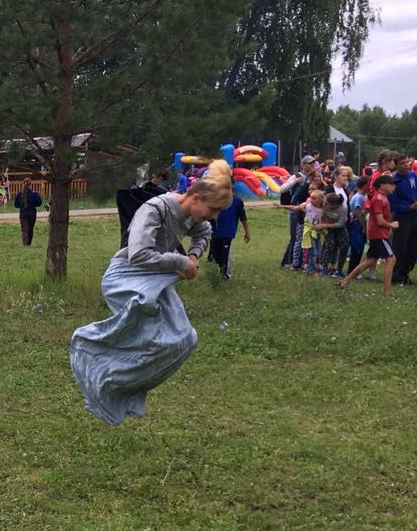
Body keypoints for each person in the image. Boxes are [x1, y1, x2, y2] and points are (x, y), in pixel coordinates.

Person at [69, 158, 231, 425]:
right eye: (213, 209)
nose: (214, 216)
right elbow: (139, 254)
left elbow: (205, 233)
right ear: (197, 197)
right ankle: (87, 345)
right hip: (125, 278)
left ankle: (121, 388)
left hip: (154, 278)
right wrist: (181, 262)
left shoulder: (192, 215)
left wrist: (193, 255)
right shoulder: (156, 208)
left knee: (185, 339)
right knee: (149, 338)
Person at [339, 173, 400, 295]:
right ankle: (387, 292)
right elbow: (380, 221)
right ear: (382, 185)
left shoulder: (382, 198)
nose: (394, 186)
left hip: (377, 234)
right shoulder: (378, 199)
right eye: (391, 184)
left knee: (370, 261)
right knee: (391, 259)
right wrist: (392, 225)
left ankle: (345, 281)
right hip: (378, 234)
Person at [391, 154, 417, 285]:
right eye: (402, 163)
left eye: (407, 162)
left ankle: (406, 272)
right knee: (401, 247)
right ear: (397, 165)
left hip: (413, 215)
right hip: (401, 217)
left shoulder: (412, 176)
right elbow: (393, 204)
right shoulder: (395, 181)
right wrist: (409, 207)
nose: (406, 165)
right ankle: (396, 275)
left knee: (414, 245)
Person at [277, 155, 316, 269]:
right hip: (294, 209)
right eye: (310, 163)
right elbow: (281, 189)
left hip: (306, 210)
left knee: (300, 236)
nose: (313, 166)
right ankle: (288, 261)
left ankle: (297, 260)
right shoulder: (297, 176)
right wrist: (294, 181)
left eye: (313, 163)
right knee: (294, 236)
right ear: (304, 165)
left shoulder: (312, 177)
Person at [207, 193, 250, 280]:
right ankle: (217, 268)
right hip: (214, 232)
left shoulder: (237, 201)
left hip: (228, 232)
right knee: (216, 255)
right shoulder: (214, 199)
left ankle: (225, 275)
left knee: (225, 254)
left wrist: (247, 232)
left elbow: (243, 217)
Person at [317, 176, 349, 277]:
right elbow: (321, 214)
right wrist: (323, 224)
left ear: (334, 205)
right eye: (324, 202)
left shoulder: (342, 208)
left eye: (327, 203)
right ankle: (324, 268)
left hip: (340, 228)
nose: (324, 204)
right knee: (329, 245)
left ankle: (339, 269)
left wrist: (325, 224)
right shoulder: (323, 204)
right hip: (329, 227)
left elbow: (341, 223)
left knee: (344, 246)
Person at [347, 174, 369, 274]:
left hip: (358, 225)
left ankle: (354, 271)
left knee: (359, 248)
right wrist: (363, 226)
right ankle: (352, 271)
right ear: (365, 185)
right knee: (357, 248)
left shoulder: (361, 196)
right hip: (356, 225)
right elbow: (358, 213)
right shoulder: (359, 197)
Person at [14, 177, 42, 246]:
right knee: (30, 229)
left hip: (23, 214)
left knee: (24, 229)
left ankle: (25, 243)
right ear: (30, 185)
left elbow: (16, 205)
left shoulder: (19, 194)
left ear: (23, 184)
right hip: (32, 213)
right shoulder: (34, 193)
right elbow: (39, 203)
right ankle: (29, 243)